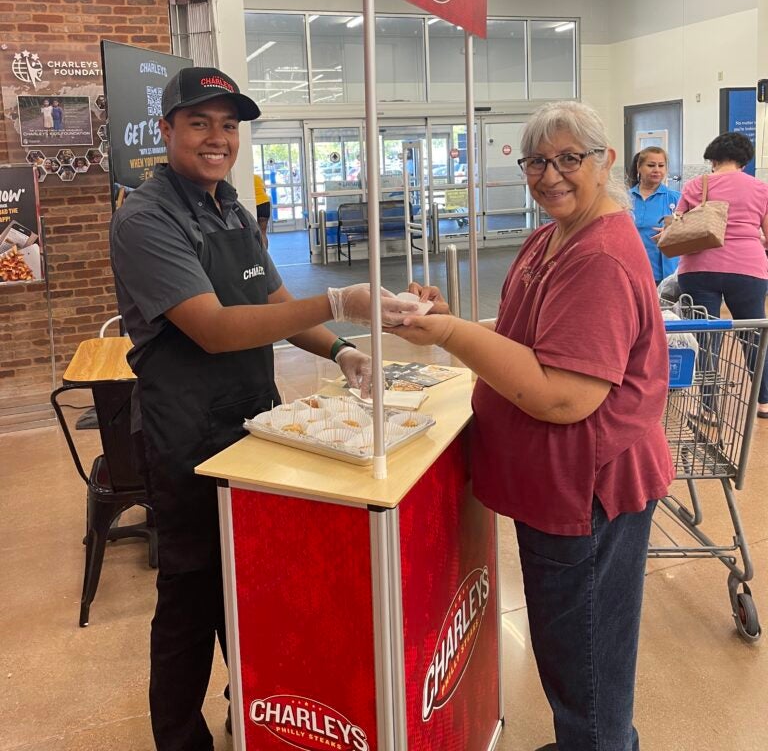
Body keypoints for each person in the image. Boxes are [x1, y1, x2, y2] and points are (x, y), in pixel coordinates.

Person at [110, 66, 412, 751]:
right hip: (185, 435)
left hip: (253, 422)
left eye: (229, 125)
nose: (217, 138)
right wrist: (341, 300)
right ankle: (180, 740)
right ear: (166, 131)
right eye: (199, 123)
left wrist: (340, 350)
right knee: (189, 598)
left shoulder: (233, 209)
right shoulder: (145, 219)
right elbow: (215, 327)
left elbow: (273, 309)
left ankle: (247, 709)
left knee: (249, 585)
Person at [394, 101, 673, 751]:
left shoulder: (597, 256)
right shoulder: (556, 234)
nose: (551, 175)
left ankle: (597, 743)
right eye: (537, 161)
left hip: (586, 493)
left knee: (588, 663)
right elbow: (531, 341)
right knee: (571, 649)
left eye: (569, 158)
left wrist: (452, 334)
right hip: (558, 488)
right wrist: (452, 314)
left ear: (605, 162)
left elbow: (562, 396)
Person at [676, 131, 768, 418]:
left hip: (699, 267)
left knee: (707, 337)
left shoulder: (696, 185)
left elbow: (679, 227)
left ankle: (708, 408)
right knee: (754, 335)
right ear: (745, 160)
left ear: (712, 159)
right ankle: (764, 402)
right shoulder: (761, 189)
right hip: (748, 269)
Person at [628, 145, 681, 283]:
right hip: (631, 271)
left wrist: (672, 232)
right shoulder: (624, 199)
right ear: (639, 167)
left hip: (665, 274)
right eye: (651, 165)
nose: (657, 170)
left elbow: (691, 235)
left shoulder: (676, 198)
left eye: (661, 165)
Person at [253, 172, 271, 246]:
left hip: (255, 204)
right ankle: (265, 254)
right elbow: (264, 190)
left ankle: (258, 254)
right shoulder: (258, 177)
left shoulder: (245, 179)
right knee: (263, 233)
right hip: (264, 204)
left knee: (254, 232)